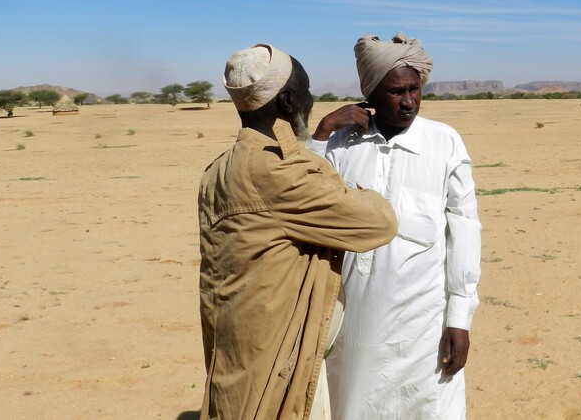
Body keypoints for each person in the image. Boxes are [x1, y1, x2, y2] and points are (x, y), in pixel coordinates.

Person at [197, 43, 398, 420]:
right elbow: (379, 222)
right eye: (306, 91)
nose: (311, 99)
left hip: (238, 351)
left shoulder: (219, 169)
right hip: (278, 361)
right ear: (288, 100)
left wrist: (313, 139)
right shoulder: (278, 174)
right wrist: (329, 165)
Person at [310, 33, 482, 419]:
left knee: (424, 406)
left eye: (414, 89)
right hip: (355, 320)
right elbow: (306, 203)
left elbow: (464, 231)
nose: (408, 101)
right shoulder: (340, 145)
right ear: (370, 93)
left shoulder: (444, 143)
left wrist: (459, 319)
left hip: (423, 322)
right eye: (395, 92)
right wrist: (320, 135)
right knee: (353, 404)